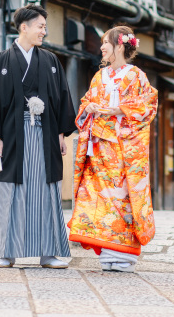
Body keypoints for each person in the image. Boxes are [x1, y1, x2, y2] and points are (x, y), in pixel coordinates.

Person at [0, 3, 77, 268]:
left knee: (46, 191)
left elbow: (61, 97)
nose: (44, 31)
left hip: (45, 135)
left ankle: (48, 252)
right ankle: (5, 251)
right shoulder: (1, 61)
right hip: (12, 135)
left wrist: (60, 133)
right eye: (40, 26)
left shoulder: (50, 61)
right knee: (11, 191)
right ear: (24, 27)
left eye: (45, 27)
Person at [68, 26, 158, 272]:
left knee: (122, 200)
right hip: (97, 150)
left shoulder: (136, 75)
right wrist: (88, 109)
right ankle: (106, 252)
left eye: (105, 43)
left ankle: (124, 255)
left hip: (121, 151)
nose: (101, 48)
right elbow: (86, 102)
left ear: (119, 45)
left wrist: (119, 110)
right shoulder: (99, 77)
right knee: (98, 200)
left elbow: (148, 106)